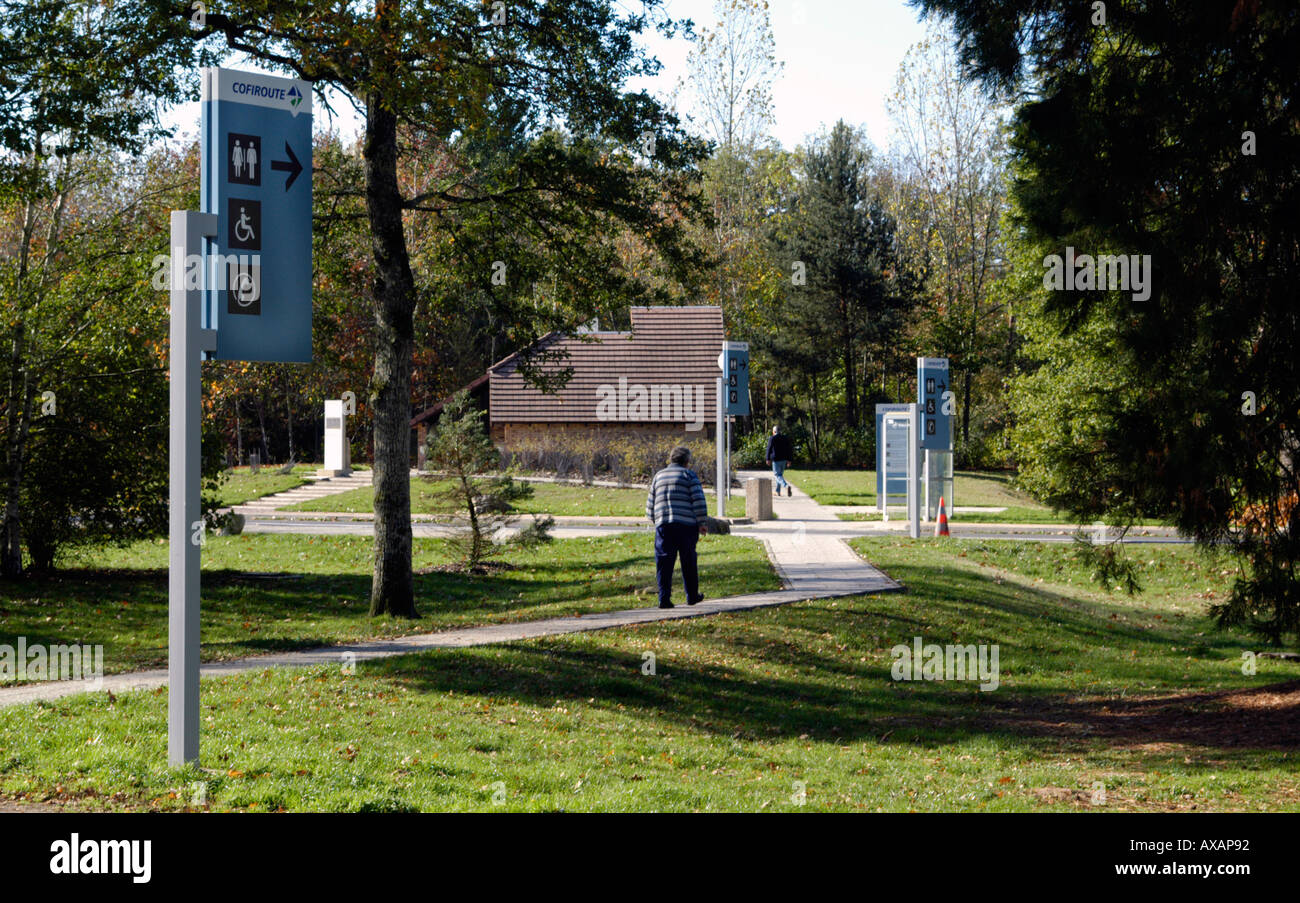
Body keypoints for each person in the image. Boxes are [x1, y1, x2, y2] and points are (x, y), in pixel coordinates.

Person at [645, 446, 708, 609]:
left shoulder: (658, 476)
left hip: (664, 525)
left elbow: (650, 502)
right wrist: (702, 522)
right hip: (686, 525)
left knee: (664, 562)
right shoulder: (689, 475)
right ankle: (692, 595)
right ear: (687, 461)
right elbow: (698, 499)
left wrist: (655, 519)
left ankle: (664, 598)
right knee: (688, 560)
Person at [766, 425, 794, 497]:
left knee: (777, 475)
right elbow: (789, 449)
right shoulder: (785, 438)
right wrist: (789, 460)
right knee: (780, 475)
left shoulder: (772, 438)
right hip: (784, 460)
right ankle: (777, 491)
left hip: (776, 460)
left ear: (774, 431)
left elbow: (769, 449)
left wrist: (767, 459)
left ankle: (786, 486)